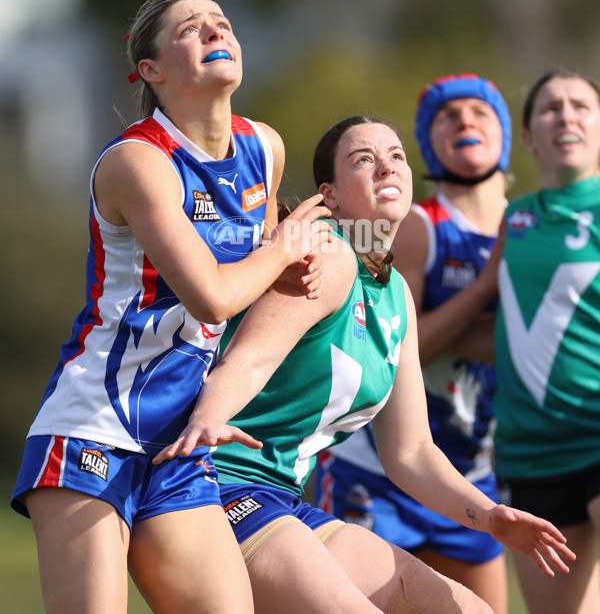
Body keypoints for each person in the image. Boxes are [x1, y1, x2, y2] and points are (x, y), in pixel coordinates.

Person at [155, 115, 574, 614]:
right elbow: (248, 360)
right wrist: (205, 420)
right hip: (217, 486)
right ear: (329, 195)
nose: (386, 167)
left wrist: (490, 516)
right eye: (363, 159)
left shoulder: (395, 293)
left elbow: (412, 452)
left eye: (396, 156)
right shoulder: (329, 253)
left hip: (283, 498)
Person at [10, 0, 332, 614]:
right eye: (192, 27)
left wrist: (286, 272)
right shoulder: (138, 160)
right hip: (93, 426)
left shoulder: (263, 146)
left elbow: (250, 280)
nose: (216, 31)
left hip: (181, 440)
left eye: (223, 23)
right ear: (150, 71)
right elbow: (212, 296)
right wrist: (283, 250)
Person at [314, 75, 511, 612]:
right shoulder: (416, 227)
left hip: (464, 468)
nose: (466, 122)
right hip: (370, 469)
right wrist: (486, 289)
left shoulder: (526, 226)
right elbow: (405, 345)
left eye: (480, 111)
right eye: (449, 115)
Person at [494, 67, 600, 614]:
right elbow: (490, 319)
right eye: (551, 107)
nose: (566, 116)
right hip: (530, 452)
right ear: (530, 136)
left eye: (580, 105)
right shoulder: (514, 219)